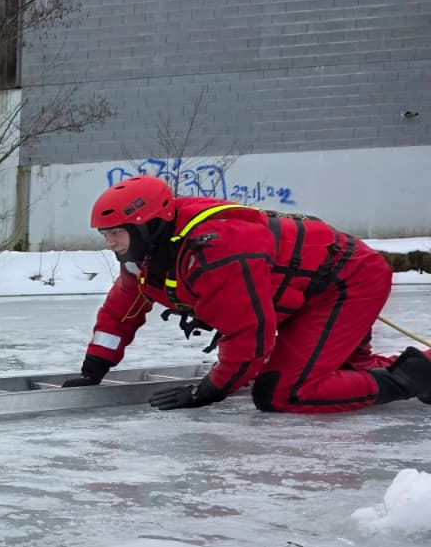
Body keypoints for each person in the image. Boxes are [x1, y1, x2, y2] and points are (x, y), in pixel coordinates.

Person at [64, 176, 431, 413]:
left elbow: (250, 338)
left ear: (148, 226)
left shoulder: (215, 253)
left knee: (282, 392)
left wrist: (206, 392)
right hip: (312, 290)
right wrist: (95, 367)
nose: (110, 244)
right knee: (349, 369)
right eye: (105, 235)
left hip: (346, 283)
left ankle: (419, 375)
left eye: (116, 234)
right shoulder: (146, 258)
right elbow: (120, 312)